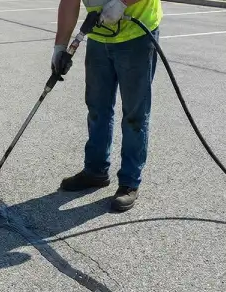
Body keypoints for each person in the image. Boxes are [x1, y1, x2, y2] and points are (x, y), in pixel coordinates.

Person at [53, 0, 162, 212]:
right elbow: (69, 2)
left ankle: (130, 181)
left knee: (134, 114)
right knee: (97, 108)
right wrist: (60, 46)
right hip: (99, 36)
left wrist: (122, 3)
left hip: (136, 35)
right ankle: (95, 171)